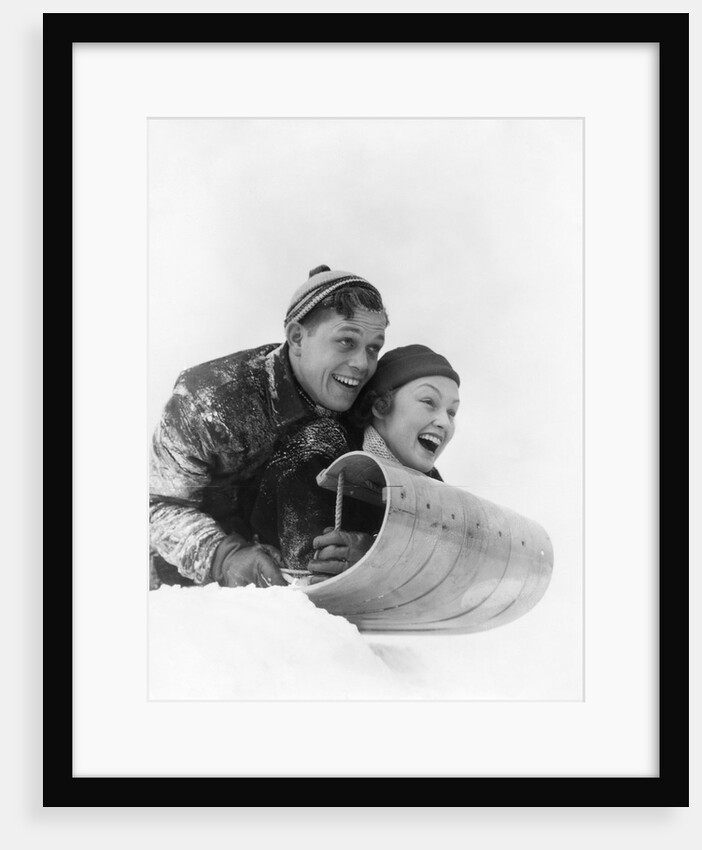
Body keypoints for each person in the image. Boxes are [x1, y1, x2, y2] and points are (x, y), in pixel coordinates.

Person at [149, 264, 389, 590]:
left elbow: (410, 498)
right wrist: (224, 557)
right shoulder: (211, 400)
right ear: (297, 337)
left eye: (373, 348)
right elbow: (154, 506)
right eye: (346, 341)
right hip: (190, 595)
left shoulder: (368, 403)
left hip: (304, 593)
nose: (362, 364)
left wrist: (368, 547)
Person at [250, 344, 460, 581]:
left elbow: (453, 560)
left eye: (452, 412)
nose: (444, 422)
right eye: (429, 401)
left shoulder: (429, 482)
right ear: (381, 406)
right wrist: (379, 562)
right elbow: (311, 570)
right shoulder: (321, 446)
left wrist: (375, 554)